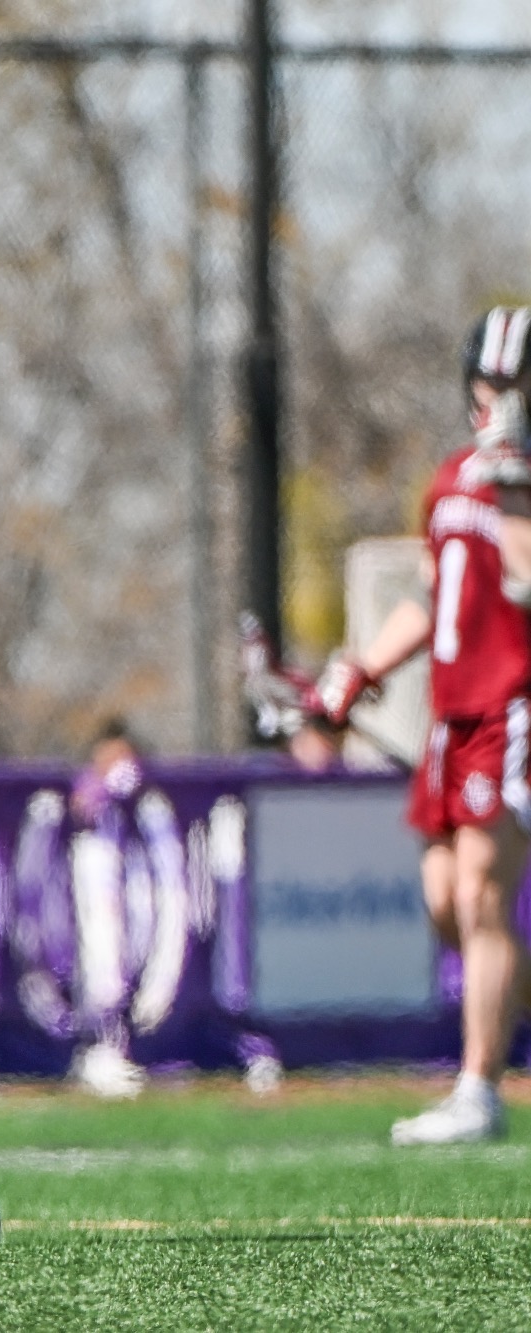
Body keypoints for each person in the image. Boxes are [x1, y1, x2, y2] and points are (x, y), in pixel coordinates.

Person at [319, 305, 531, 1145]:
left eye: (514, 383)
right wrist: (363, 665)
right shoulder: (451, 479)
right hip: (453, 713)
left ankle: (477, 1086)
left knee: (483, 895)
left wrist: (512, 488)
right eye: (490, 381)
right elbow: (430, 592)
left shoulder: (517, 484)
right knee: (447, 904)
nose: (500, 397)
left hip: (515, 706)